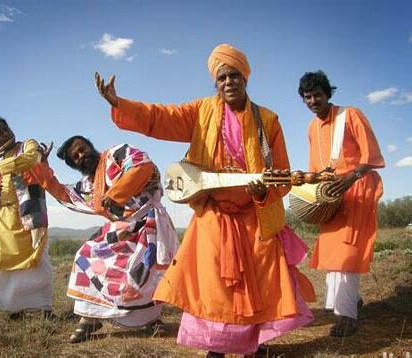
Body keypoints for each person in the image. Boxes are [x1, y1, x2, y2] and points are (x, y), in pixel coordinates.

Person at [95, 43, 316, 357]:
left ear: (245, 78)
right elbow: (161, 117)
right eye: (222, 77)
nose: (229, 82)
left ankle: (253, 345)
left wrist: (263, 191)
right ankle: (216, 347)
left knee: (259, 280)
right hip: (212, 213)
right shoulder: (201, 112)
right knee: (213, 282)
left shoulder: (268, 120)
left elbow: (280, 173)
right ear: (216, 83)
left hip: (255, 214)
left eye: (234, 75)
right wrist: (120, 103)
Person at [51, 136, 179, 343]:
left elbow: (143, 166)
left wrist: (116, 194)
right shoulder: (88, 184)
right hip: (120, 228)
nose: (81, 155)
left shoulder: (117, 153)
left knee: (143, 274)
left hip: (147, 222)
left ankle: (152, 320)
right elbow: (67, 195)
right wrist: (39, 170)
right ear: (74, 165)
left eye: (82, 149)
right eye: (76, 157)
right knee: (85, 257)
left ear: (90, 146)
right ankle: (89, 319)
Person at [298, 70, 385, 337]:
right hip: (331, 197)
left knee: (348, 254)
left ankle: (347, 317)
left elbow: (370, 157)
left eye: (318, 95)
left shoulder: (351, 115)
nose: (313, 101)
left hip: (357, 190)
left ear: (328, 94)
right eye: (308, 97)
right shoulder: (312, 128)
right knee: (334, 255)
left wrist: (349, 180)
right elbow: (316, 168)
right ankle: (347, 302)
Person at [0, 117, 67, 319]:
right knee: (6, 267)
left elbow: (32, 159)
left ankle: (45, 309)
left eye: (6, 129)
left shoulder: (27, 145)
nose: (5, 134)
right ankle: (14, 308)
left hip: (31, 212)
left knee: (39, 263)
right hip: (4, 221)